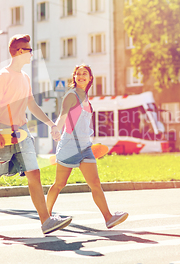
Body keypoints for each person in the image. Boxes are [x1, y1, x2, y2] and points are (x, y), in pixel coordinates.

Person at [0, 34, 72, 235]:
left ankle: (46, 221)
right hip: (4, 131)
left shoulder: (25, 77)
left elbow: (31, 105)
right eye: (28, 50)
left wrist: (51, 123)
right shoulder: (3, 75)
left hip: (22, 132)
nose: (31, 54)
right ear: (19, 52)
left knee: (34, 173)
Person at [46, 64, 128, 229]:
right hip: (69, 145)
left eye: (85, 74)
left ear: (90, 78)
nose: (81, 76)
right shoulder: (71, 95)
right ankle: (46, 217)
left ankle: (108, 218)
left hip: (85, 147)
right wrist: (56, 129)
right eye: (78, 74)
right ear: (74, 77)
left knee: (95, 183)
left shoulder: (86, 98)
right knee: (59, 184)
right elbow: (62, 116)